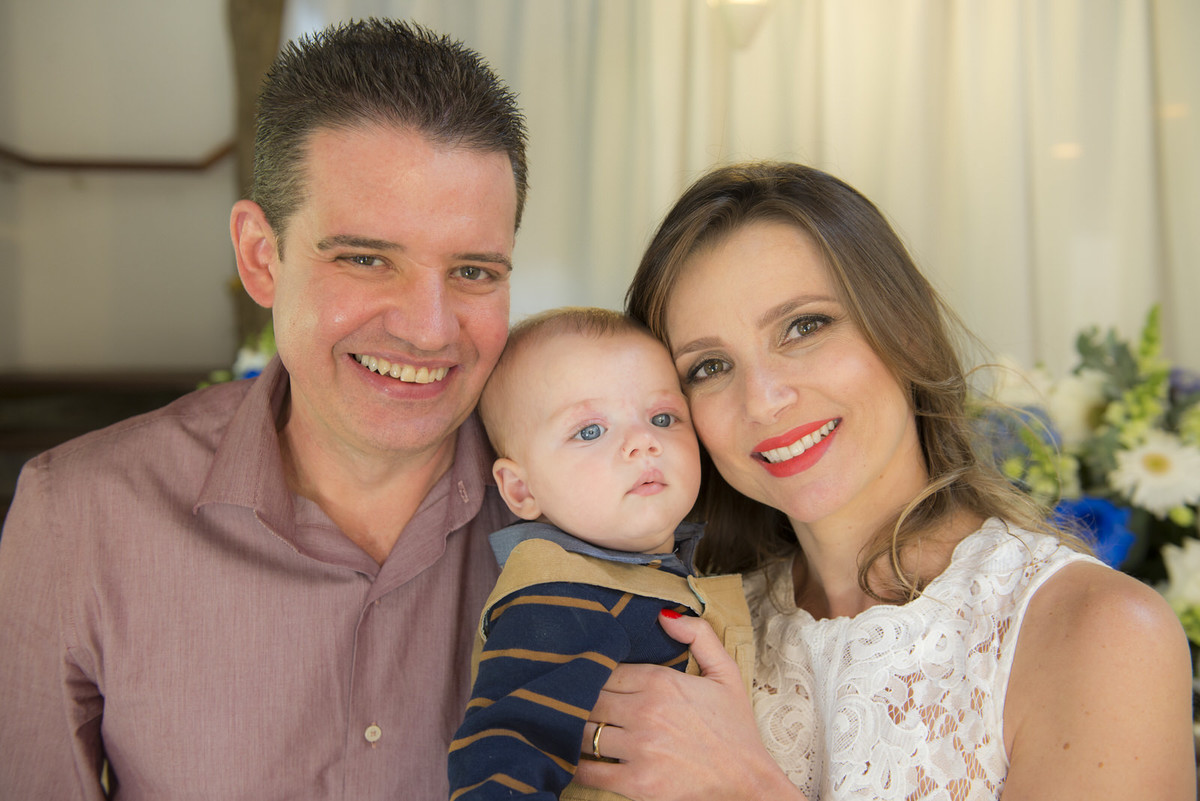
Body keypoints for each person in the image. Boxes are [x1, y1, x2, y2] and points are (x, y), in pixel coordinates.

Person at [0, 19, 527, 800]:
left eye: (474, 271)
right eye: (365, 257)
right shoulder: (77, 517)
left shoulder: (598, 509)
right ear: (260, 257)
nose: (429, 329)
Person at [572, 161, 1196, 800]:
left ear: (906, 330)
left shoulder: (1100, 632)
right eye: (709, 366)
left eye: (803, 327)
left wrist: (743, 787)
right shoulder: (683, 630)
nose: (762, 400)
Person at [447, 307, 753, 800]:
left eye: (662, 418)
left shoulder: (665, 575)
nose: (643, 442)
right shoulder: (557, 599)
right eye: (590, 431)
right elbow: (503, 757)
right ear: (521, 489)